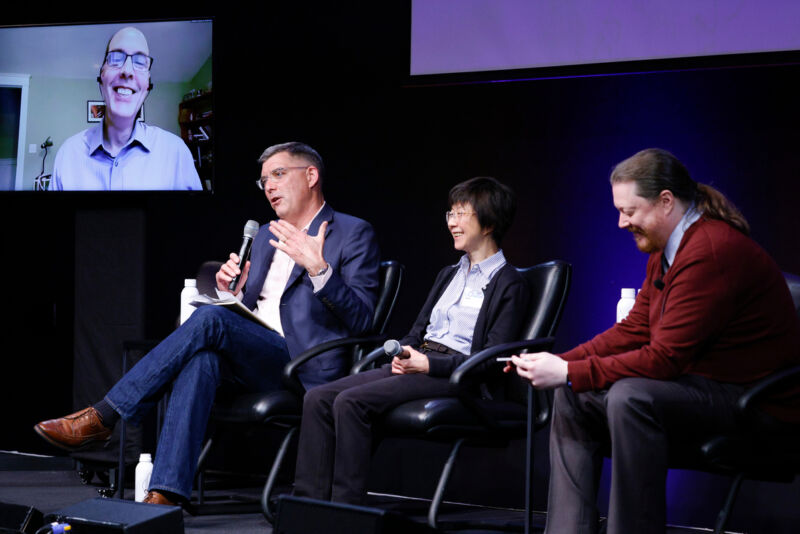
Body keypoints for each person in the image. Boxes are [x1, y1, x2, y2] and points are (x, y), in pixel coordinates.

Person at [35, 142, 381, 506]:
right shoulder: (265, 235)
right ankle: (166, 493)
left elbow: (362, 320)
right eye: (263, 180)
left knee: (210, 321)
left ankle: (104, 416)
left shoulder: (353, 233)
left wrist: (319, 268)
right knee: (202, 361)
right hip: (257, 358)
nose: (269, 187)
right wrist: (233, 293)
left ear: (311, 176)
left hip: (305, 366)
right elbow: (254, 311)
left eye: (278, 175)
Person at [509, 148, 800, 534]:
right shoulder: (666, 251)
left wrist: (568, 370)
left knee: (630, 396)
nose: (620, 222)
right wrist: (562, 362)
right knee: (574, 395)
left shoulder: (710, 250)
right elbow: (634, 330)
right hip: (708, 388)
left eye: (629, 211)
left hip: (755, 402)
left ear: (665, 201)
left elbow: (664, 359)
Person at [292, 176, 531, 504]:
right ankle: (307, 506)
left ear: (489, 222)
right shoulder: (449, 274)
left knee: (351, 402)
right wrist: (404, 351)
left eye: (462, 214)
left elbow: (490, 359)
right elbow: (418, 330)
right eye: (450, 214)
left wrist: (429, 364)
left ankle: (343, 513)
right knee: (318, 398)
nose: (453, 222)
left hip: (457, 375)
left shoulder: (510, 283)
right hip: (418, 359)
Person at [52, 26, 202, 191]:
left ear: (147, 86)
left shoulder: (177, 154)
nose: (127, 71)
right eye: (115, 58)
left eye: (140, 62)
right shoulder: (68, 155)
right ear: (102, 76)